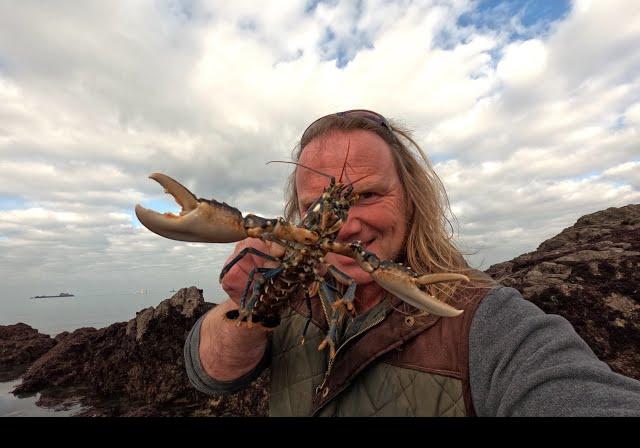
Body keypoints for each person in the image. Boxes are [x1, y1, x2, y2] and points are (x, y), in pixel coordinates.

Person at [184, 110, 640, 416]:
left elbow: (565, 386)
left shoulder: (487, 320)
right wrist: (251, 310)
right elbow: (210, 375)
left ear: (412, 200)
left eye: (367, 195)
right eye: (315, 206)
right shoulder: (294, 291)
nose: (345, 227)